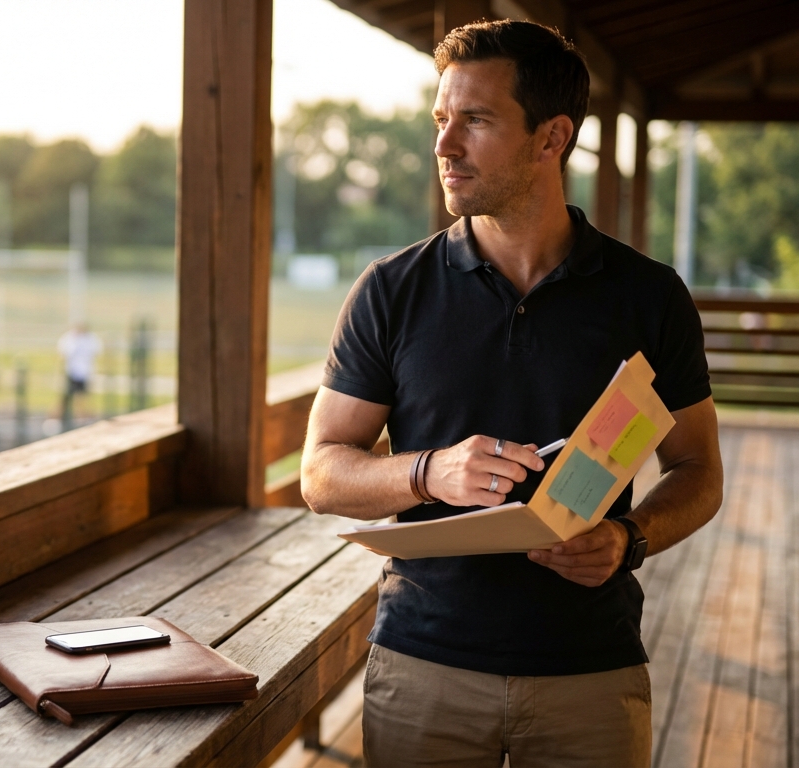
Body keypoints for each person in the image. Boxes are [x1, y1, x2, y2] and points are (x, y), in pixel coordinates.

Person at [299, 20, 723, 768]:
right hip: (423, 668)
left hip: (591, 672)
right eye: (441, 118)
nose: (444, 144)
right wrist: (428, 471)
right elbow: (321, 473)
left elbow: (698, 469)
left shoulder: (649, 297)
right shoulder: (391, 291)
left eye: (476, 120)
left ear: (551, 137)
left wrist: (630, 539)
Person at [57, 322, 101, 427]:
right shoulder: (70, 338)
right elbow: (63, 353)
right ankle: (60, 418)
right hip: (72, 371)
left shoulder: (90, 339)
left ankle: (82, 417)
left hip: (84, 372)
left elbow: (96, 351)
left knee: (82, 395)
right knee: (69, 396)